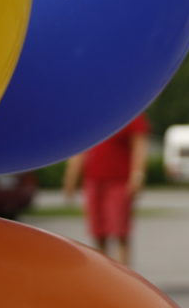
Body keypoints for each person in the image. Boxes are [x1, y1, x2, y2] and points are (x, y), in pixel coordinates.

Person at [63, 113, 150, 266]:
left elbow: (139, 145)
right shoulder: (92, 116)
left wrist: (137, 175)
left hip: (119, 182)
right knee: (98, 232)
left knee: (120, 231)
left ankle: (123, 273)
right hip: (94, 181)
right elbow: (80, 149)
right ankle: (104, 270)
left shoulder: (129, 114)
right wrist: (71, 179)